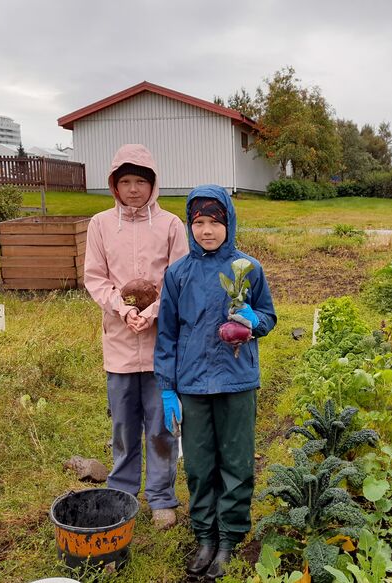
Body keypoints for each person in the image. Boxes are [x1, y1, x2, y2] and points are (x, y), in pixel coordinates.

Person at [155, 185, 277, 579]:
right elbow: (168, 334)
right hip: (191, 384)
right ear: (191, 226)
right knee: (200, 464)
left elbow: (268, 316)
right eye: (199, 222)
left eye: (215, 222)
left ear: (229, 223)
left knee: (236, 461)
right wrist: (168, 387)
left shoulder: (248, 268)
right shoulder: (177, 274)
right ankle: (205, 536)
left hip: (236, 380)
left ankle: (229, 539)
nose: (207, 231)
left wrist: (251, 323)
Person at [84, 144, 188, 530]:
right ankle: (123, 493)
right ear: (113, 184)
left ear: (153, 184)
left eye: (140, 181)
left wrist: (154, 310)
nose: (132, 189)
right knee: (125, 425)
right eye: (124, 181)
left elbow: (178, 278)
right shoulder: (100, 224)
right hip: (120, 342)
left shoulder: (171, 225)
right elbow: (95, 278)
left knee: (161, 424)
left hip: (162, 344)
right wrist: (124, 309)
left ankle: (162, 498)